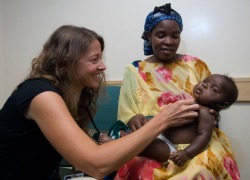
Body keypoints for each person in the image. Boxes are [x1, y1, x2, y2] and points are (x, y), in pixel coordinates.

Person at [0, 25, 200, 180]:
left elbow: (89, 152)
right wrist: (163, 120)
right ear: (67, 62)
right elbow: (96, 165)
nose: (102, 66)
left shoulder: (67, 97)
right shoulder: (41, 95)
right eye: (94, 59)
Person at [114, 3, 240, 180]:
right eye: (160, 35)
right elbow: (127, 110)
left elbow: (215, 103)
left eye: (175, 36)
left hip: (195, 138)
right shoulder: (134, 69)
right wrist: (134, 118)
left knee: (202, 167)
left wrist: (213, 115)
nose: (169, 41)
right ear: (149, 36)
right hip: (154, 135)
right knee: (140, 163)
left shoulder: (196, 65)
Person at [98, 74, 238, 165]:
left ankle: (116, 144)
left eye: (213, 88)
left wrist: (187, 153)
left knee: (153, 147)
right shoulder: (192, 102)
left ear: (221, 104)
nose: (204, 85)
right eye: (205, 81)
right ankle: (123, 140)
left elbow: (204, 137)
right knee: (144, 127)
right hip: (160, 132)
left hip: (172, 146)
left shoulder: (207, 113)